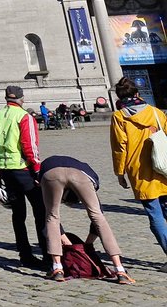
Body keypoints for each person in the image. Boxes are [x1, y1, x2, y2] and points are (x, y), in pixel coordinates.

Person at [39, 153, 133, 283]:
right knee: (98, 216)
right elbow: (99, 213)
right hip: (80, 175)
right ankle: (120, 269)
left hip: (51, 172)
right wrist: (87, 244)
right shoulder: (89, 173)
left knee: (52, 217)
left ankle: (57, 268)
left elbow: (45, 216)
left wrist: (71, 242)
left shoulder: (42, 173)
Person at [0, 84, 48, 269]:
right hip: (24, 169)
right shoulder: (25, 116)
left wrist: (0, 165)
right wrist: (37, 169)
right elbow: (29, 145)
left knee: (18, 215)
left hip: (5, 169)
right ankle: (48, 255)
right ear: (22, 98)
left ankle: (25, 254)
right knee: (41, 212)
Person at [110, 76, 167, 261]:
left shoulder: (119, 117)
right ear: (137, 93)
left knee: (155, 214)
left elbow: (120, 147)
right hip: (164, 167)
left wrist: (119, 173)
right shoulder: (157, 113)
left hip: (140, 170)